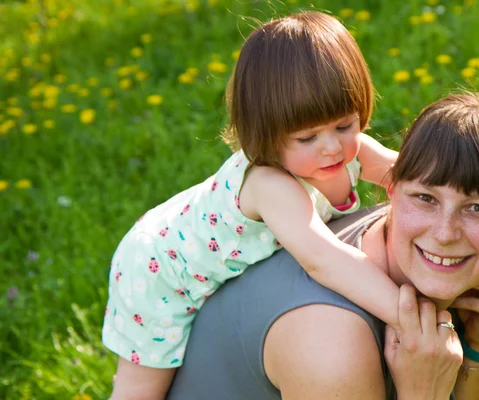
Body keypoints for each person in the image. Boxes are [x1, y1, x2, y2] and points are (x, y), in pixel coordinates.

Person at [167, 92, 479, 399]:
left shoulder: (451, 272)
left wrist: (476, 350)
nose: (445, 233)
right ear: (391, 187)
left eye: (478, 208)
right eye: (424, 198)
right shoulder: (334, 348)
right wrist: (421, 393)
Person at [103, 11, 402, 399]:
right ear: (266, 135)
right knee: (142, 391)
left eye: (344, 125)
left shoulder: (349, 150)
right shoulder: (269, 184)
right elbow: (325, 259)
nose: (332, 147)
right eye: (307, 137)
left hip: (199, 256)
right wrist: (404, 312)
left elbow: (412, 178)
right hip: (163, 268)